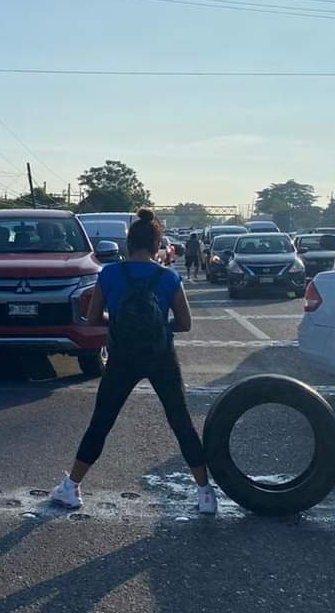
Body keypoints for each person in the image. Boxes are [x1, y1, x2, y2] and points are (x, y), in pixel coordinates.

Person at [50, 208, 217, 515]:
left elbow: (91, 319)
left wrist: (118, 320)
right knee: (180, 421)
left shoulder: (110, 274)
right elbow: (185, 323)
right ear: (157, 246)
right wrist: (158, 326)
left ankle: (72, 487)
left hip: (122, 356)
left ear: (128, 243)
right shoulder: (169, 277)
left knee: (101, 421)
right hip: (161, 355)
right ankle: (205, 492)